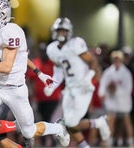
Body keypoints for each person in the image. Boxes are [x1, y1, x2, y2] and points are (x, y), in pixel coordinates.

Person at [0, 0, 70, 148]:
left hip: (14, 90)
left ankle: (58, 128)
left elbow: (7, 66)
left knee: (29, 132)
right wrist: (38, 72)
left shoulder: (11, 31)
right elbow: (21, 57)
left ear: (2, 16)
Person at [45, 17, 111, 148]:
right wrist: (52, 85)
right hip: (69, 88)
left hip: (83, 87)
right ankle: (88, 141)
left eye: (64, 31)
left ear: (69, 32)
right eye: (59, 31)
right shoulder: (52, 49)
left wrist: (89, 77)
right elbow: (59, 70)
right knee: (69, 123)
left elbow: (93, 61)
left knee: (69, 122)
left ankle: (99, 123)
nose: (61, 34)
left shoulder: (75, 44)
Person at [98, 50, 134, 147]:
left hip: (124, 102)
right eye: (114, 59)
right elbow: (103, 85)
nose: (116, 61)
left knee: (126, 122)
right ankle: (109, 140)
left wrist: (116, 89)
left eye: (118, 59)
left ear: (121, 60)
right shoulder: (108, 72)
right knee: (111, 121)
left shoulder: (126, 73)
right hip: (111, 101)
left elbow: (128, 89)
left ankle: (130, 141)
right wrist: (102, 94)